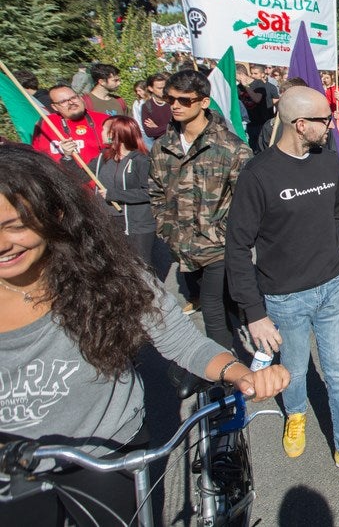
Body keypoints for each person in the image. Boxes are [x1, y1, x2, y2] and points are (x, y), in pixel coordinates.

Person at [0, 144, 289, 526]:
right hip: (11, 472)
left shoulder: (109, 276)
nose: (2, 244)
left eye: (15, 226)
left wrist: (242, 374)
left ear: (56, 214)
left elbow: (182, 341)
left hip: (104, 454)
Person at [225, 87, 339, 480]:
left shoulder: (329, 162)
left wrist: (324, 256)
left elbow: (334, 216)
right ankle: (295, 414)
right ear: (300, 125)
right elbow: (237, 248)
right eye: (324, 120)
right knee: (294, 370)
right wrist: (255, 313)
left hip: (332, 286)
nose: (331, 125)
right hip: (283, 296)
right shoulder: (258, 174)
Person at [150, 70, 253, 344]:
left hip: (219, 248)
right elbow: (157, 192)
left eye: (185, 100)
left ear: (204, 102)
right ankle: (250, 326)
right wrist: (166, 229)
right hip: (181, 245)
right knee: (231, 300)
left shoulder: (231, 148)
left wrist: (224, 234)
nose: (175, 105)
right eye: (170, 98)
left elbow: (246, 203)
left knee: (211, 309)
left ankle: (223, 375)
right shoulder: (163, 147)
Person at [91, 116, 157, 269]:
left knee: (141, 268)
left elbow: (150, 192)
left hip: (136, 225)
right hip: (108, 222)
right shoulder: (103, 157)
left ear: (117, 134)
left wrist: (114, 194)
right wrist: (68, 156)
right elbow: (78, 174)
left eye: (105, 129)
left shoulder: (142, 160)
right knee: (117, 268)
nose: (101, 132)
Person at [30, 84, 108, 168]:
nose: (71, 103)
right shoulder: (45, 123)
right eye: (63, 102)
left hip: (97, 178)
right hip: (61, 178)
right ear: (54, 107)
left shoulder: (105, 120)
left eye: (73, 98)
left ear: (81, 98)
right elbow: (36, 156)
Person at [140, 73, 171, 145]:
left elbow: (179, 125)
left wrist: (157, 127)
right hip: (160, 146)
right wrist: (169, 127)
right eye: (159, 88)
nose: (163, 90)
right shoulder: (147, 106)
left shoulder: (173, 102)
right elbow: (149, 132)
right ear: (151, 88)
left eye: (164, 87)